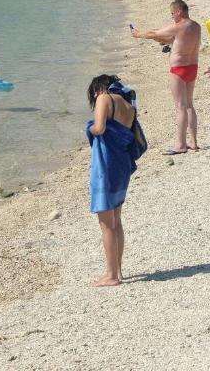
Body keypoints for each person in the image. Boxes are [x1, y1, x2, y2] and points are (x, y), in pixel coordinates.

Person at [85, 74, 145, 287]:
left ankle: (111, 275)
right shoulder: (128, 104)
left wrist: (89, 127)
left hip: (106, 165)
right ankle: (117, 271)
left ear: (97, 90)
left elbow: (100, 128)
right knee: (116, 221)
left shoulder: (104, 98)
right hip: (121, 165)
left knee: (106, 224)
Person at [131, 0, 200, 154]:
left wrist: (137, 34)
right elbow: (172, 39)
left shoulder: (179, 26)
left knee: (180, 106)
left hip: (179, 69)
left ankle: (181, 145)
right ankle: (193, 142)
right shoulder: (196, 26)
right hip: (192, 67)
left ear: (179, 11)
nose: (172, 17)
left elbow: (154, 33)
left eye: (172, 14)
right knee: (189, 105)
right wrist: (156, 37)